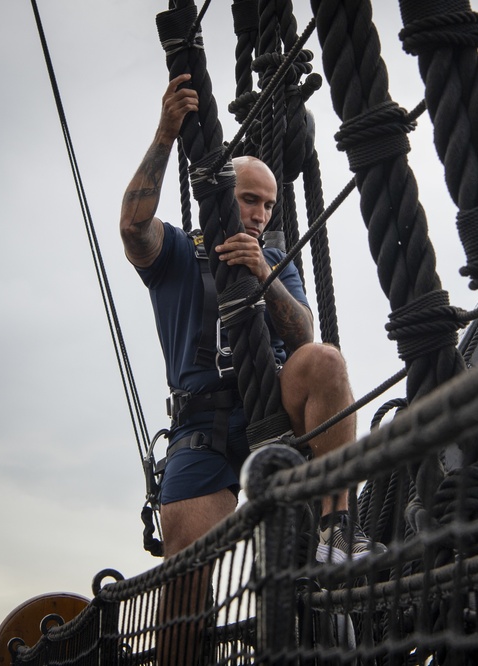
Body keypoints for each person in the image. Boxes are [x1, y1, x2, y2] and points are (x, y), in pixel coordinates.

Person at [119, 73, 382, 565]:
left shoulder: (277, 263)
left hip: (275, 404)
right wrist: (165, 134)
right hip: (204, 422)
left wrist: (263, 269)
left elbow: (303, 333)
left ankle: (336, 530)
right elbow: (134, 228)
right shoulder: (179, 251)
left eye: (267, 204)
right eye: (248, 199)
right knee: (185, 577)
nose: (260, 213)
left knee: (326, 361)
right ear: (220, 195)